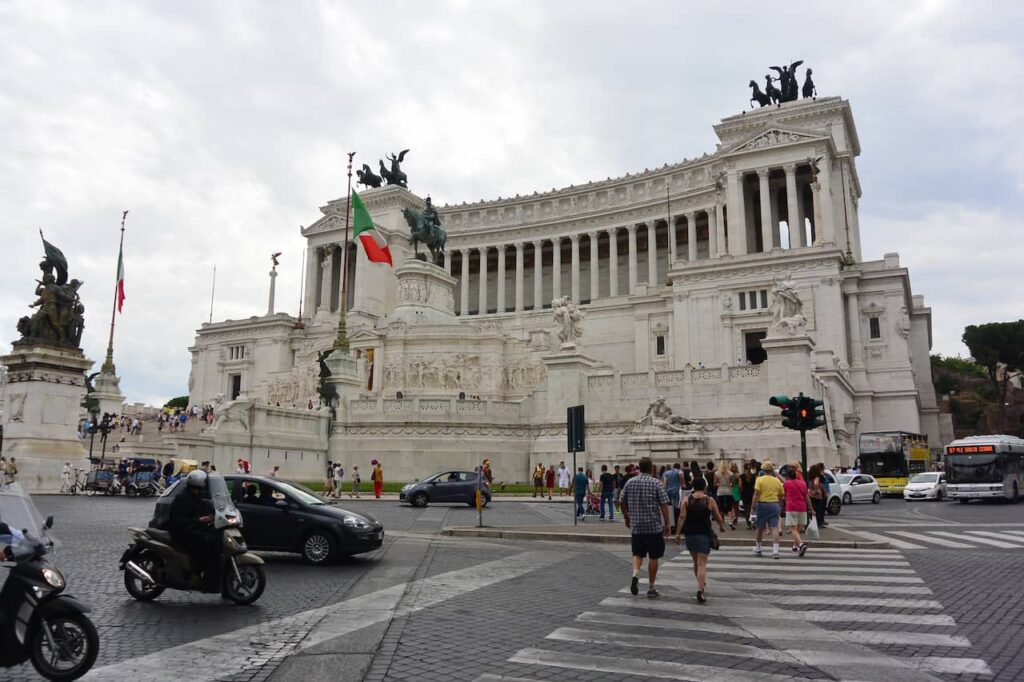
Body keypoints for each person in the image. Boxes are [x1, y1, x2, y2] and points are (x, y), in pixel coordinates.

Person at [619, 456, 671, 599]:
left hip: (636, 525)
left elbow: (621, 500)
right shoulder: (656, 483)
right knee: (654, 556)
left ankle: (635, 574)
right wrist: (667, 523)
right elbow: (664, 505)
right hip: (654, 526)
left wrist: (626, 516)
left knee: (637, 553)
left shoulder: (630, 482)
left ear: (639, 468)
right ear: (651, 468)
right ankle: (651, 587)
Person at [673, 474, 726, 603]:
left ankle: (700, 583)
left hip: (690, 533)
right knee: (702, 564)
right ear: (704, 487)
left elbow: (682, 517)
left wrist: (678, 533)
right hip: (704, 533)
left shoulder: (686, 500)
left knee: (695, 561)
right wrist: (721, 526)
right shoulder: (709, 500)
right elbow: (717, 515)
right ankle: (700, 590)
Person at [168, 470, 221, 588]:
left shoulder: (194, 496)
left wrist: (212, 515)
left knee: (214, 536)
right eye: (202, 486)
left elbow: (201, 508)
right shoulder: (182, 498)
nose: (202, 489)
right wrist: (199, 520)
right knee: (207, 543)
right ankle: (196, 573)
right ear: (196, 486)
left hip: (191, 528)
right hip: (181, 532)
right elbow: (179, 521)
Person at [751, 459, 784, 559]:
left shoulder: (759, 480)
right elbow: (781, 495)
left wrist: (753, 506)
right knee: (775, 528)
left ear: (763, 470)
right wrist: (780, 505)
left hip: (762, 505)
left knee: (760, 527)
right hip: (774, 505)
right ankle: (775, 551)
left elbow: (756, 494)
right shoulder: (777, 481)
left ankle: (758, 548)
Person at [784, 465, 811, 556]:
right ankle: (795, 546)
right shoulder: (803, 483)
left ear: (788, 475)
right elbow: (807, 497)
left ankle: (801, 544)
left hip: (791, 507)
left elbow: (784, 494)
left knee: (793, 529)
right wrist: (811, 508)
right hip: (802, 507)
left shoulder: (786, 483)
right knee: (798, 528)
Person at [715, 462, 736, 530]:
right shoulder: (731, 473)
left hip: (720, 491)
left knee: (721, 508)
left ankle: (722, 523)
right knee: (729, 507)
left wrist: (719, 484)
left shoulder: (716, 473)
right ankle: (730, 521)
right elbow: (733, 483)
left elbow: (715, 484)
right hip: (728, 491)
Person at [661, 462, 682, 528]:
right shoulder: (678, 472)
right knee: (675, 507)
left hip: (668, 491)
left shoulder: (665, 473)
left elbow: (664, 484)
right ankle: (675, 522)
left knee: (668, 507)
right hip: (676, 491)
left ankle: (669, 522)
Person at [807, 464, 827, 530]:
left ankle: (814, 522)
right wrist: (816, 490)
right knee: (818, 509)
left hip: (811, 495)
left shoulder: (810, 479)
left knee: (813, 508)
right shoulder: (817, 478)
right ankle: (818, 523)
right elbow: (816, 483)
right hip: (816, 496)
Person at [739, 462, 757, 529]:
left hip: (745, 494)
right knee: (753, 509)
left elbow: (740, 486)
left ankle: (749, 524)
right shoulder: (754, 476)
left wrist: (741, 492)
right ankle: (754, 523)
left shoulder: (741, 476)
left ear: (744, 468)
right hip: (752, 494)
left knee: (747, 510)